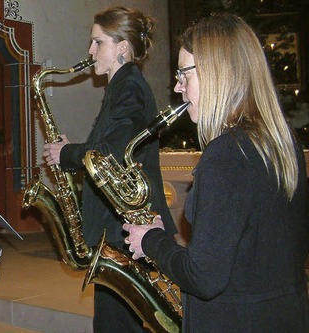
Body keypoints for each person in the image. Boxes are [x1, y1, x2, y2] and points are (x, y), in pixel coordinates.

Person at [123, 13, 309, 332]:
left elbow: (204, 277)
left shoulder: (226, 154)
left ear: (218, 72)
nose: (178, 88)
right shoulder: (280, 141)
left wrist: (151, 240)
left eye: (184, 74)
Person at [42, 6, 177, 332]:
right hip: (119, 230)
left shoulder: (129, 88)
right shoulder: (121, 88)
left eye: (97, 42)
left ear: (122, 47)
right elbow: (109, 149)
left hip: (125, 231)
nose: (90, 50)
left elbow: (109, 155)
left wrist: (68, 153)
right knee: (113, 323)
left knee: (114, 325)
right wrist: (71, 150)